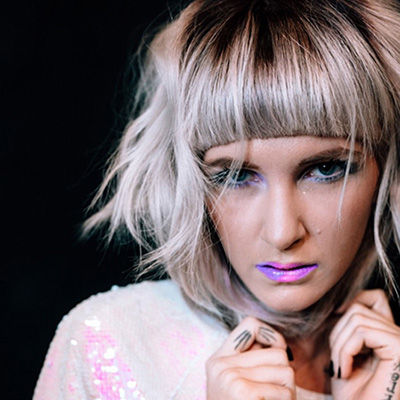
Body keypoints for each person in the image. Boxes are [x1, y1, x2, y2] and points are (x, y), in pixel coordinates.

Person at [34, 0, 400, 399]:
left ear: (385, 167)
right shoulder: (113, 344)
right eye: (236, 176)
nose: (282, 233)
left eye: (326, 169)